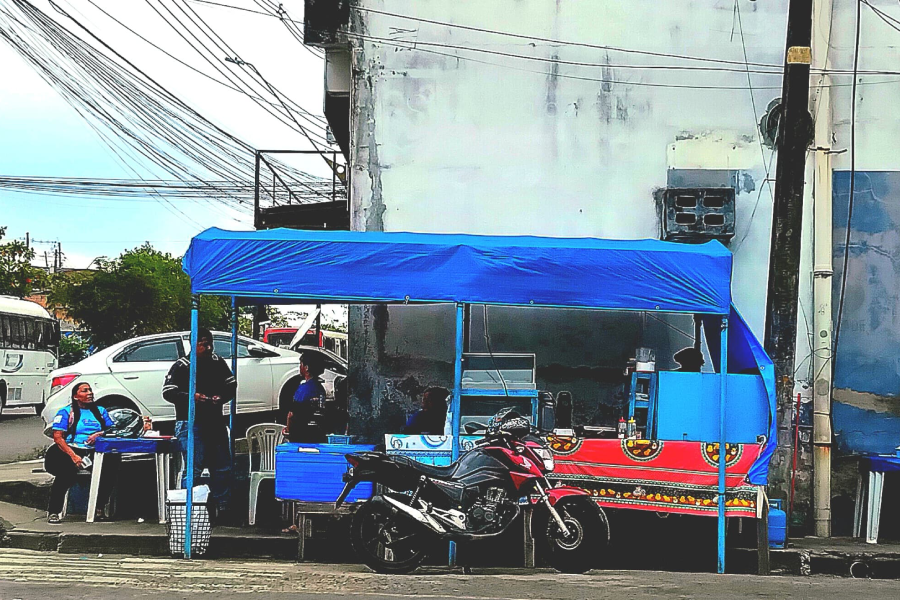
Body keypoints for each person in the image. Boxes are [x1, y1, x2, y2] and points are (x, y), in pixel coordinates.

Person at [162, 327, 236, 518]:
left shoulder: (218, 362)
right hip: (190, 422)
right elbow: (168, 392)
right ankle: (190, 510)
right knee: (193, 468)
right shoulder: (182, 366)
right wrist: (192, 397)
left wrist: (221, 397)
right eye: (202, 343)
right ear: (193, 344)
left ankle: (224, 508)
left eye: (209, 342)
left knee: (222, 467)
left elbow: (231, 385)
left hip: (215, 421)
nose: (208, 346)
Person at [45, 382, 120, 523]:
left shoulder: (100, 411)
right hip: (70, 449)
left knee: (110, 467)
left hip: (95, 450)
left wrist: (99, 434)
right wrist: (73, 456)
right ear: (75, 396)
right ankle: (54, 511)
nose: (89, 393)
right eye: (84, 391)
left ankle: (99, 508)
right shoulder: (66, 412)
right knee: (65, 473)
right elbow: (58, 438)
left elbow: (113, 430)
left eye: (90, 390)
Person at [285, 351, 328, 443]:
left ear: (306, 368)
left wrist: (287, 431)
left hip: (301, 436)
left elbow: (291, 415)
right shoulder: (320, 389)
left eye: (301, 364)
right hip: (318, 436)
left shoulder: (303, 390)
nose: (300, 367)